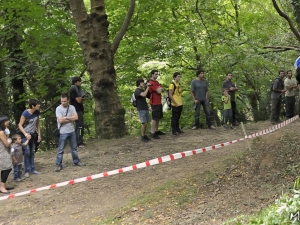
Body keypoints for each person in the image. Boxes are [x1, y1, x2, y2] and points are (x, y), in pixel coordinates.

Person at [55, 93, 85, 172]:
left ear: (68, 100)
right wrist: (70, 119)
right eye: (62, 101)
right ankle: (58, 164)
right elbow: (60, 120)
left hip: (71, 131)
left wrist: (66, 118)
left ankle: (76, 161)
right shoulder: (58, 109)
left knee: (74, 148)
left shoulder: (72, 107)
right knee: (61, 149)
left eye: (64, 101)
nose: (63, 103)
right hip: (62, 132)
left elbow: (76, 117)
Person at [18, 99, 42, 178]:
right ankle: (26, 171)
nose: (39, 105)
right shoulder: (25, 113)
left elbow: (37, 123)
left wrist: (39, 134)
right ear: (33, 106)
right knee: (27, 152)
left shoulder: (37, 112)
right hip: (25, 135)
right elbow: (20, 125)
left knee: (32, 151)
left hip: (33, 134)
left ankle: (33, 169)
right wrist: (25, 134)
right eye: (37, 104)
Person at [148, 70, 165, 139]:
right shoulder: (151, 83)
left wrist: (160, 89)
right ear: (152, 74)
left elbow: (162, 89)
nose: (157, 75)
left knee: (158, 117)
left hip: (159, 102)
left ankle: (156, 130)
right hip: (154, 102)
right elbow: (158, 91)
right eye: (155, 74)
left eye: (157, 74)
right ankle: (152, 132)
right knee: (154, 118)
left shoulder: (157, 82)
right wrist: (159, 89)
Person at [69, 76, 85, 148]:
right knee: (79, 125)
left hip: (79, 109)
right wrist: (81, 98)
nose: (80, 83)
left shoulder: (78, 89)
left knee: (81, 125)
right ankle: (78, 142)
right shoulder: (73, 89)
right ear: (76, 82)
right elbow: (78, 100)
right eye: (79, 81)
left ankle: (80, 141)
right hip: (76, 109)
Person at [0, 115, 13, 194]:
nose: (8, 122)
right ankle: (2, 187)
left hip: (4, 151)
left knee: (5, 168)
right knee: (7, 168)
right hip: (2, 151)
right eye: (6, 121)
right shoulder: (1, 132)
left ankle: (3, 185)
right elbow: (6, 144)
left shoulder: (3, 131)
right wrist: (11, 140)